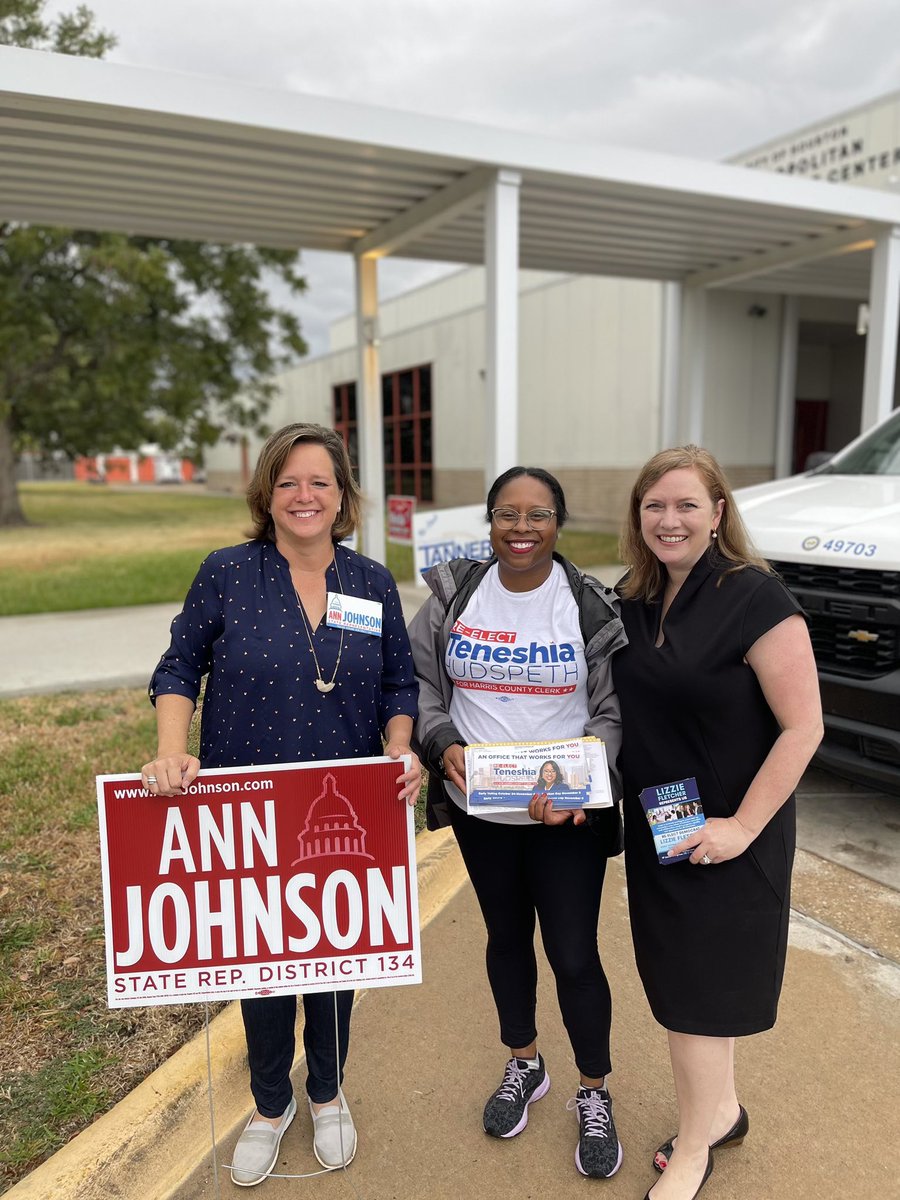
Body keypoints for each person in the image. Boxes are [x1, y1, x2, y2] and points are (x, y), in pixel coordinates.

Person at [139, 423, 420, 1188]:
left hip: (346, 807)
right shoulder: (228, 573)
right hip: (249, 808)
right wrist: (172, 749)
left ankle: (327, 1091)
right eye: (290, 482)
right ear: (267, 493)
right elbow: (179, 665)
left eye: (320, 482)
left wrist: (400, 743)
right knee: (261, 965)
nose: (305, 496)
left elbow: (400, 681)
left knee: (332, 960)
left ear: (342, 495)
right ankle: (271, 1105)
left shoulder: (370, 582)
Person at [612, 445, 823, 1200]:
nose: (669, 520)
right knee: (683, 981)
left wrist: (741, 826)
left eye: (686, 505)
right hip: (662, 825)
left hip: (734, 830)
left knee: (699, 993)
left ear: (718, 513)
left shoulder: (755, 597)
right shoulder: (632, 599)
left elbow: (804, 728)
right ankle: (723, 1111)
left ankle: (696, 1143)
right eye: (654, 506)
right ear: (638, 517)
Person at [409, 466, 627, 1181]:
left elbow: (612, 713)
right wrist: (442, 747)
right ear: (490, 521)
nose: (522, 528)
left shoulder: (590, 605)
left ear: (559, 523)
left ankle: (593, 1091)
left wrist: (584, 785)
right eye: (507, 513)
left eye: (537, 515)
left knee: (571, 953)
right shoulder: (454, 592)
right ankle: (524, 1064)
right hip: (482, 812)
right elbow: (417, 681)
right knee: (506, 938)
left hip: (564, 816)